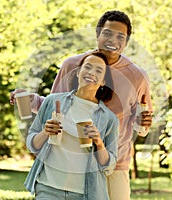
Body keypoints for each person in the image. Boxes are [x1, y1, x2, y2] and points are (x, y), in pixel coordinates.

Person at [11, 10, 153, 200]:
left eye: (121, 36)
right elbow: (57, 106)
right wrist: (31, 100)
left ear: (126, 42)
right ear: (97, 34)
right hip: (73, 162)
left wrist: (143, 122)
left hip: (115, 163)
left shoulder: (137, 76)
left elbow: (141, 125)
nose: (113, 40)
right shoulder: (73, 64)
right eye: (108, 33)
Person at [24, 52, 119, 200]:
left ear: (103, 82)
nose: (91, 73)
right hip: (47, 188)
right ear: (77, 72)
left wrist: (99, 143)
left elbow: (108, 166)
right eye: (87, 67)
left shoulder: (109, 119)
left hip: (84, 193)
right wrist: (45, 132)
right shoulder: (52, 101)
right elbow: (32, 144)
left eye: (99, 71)